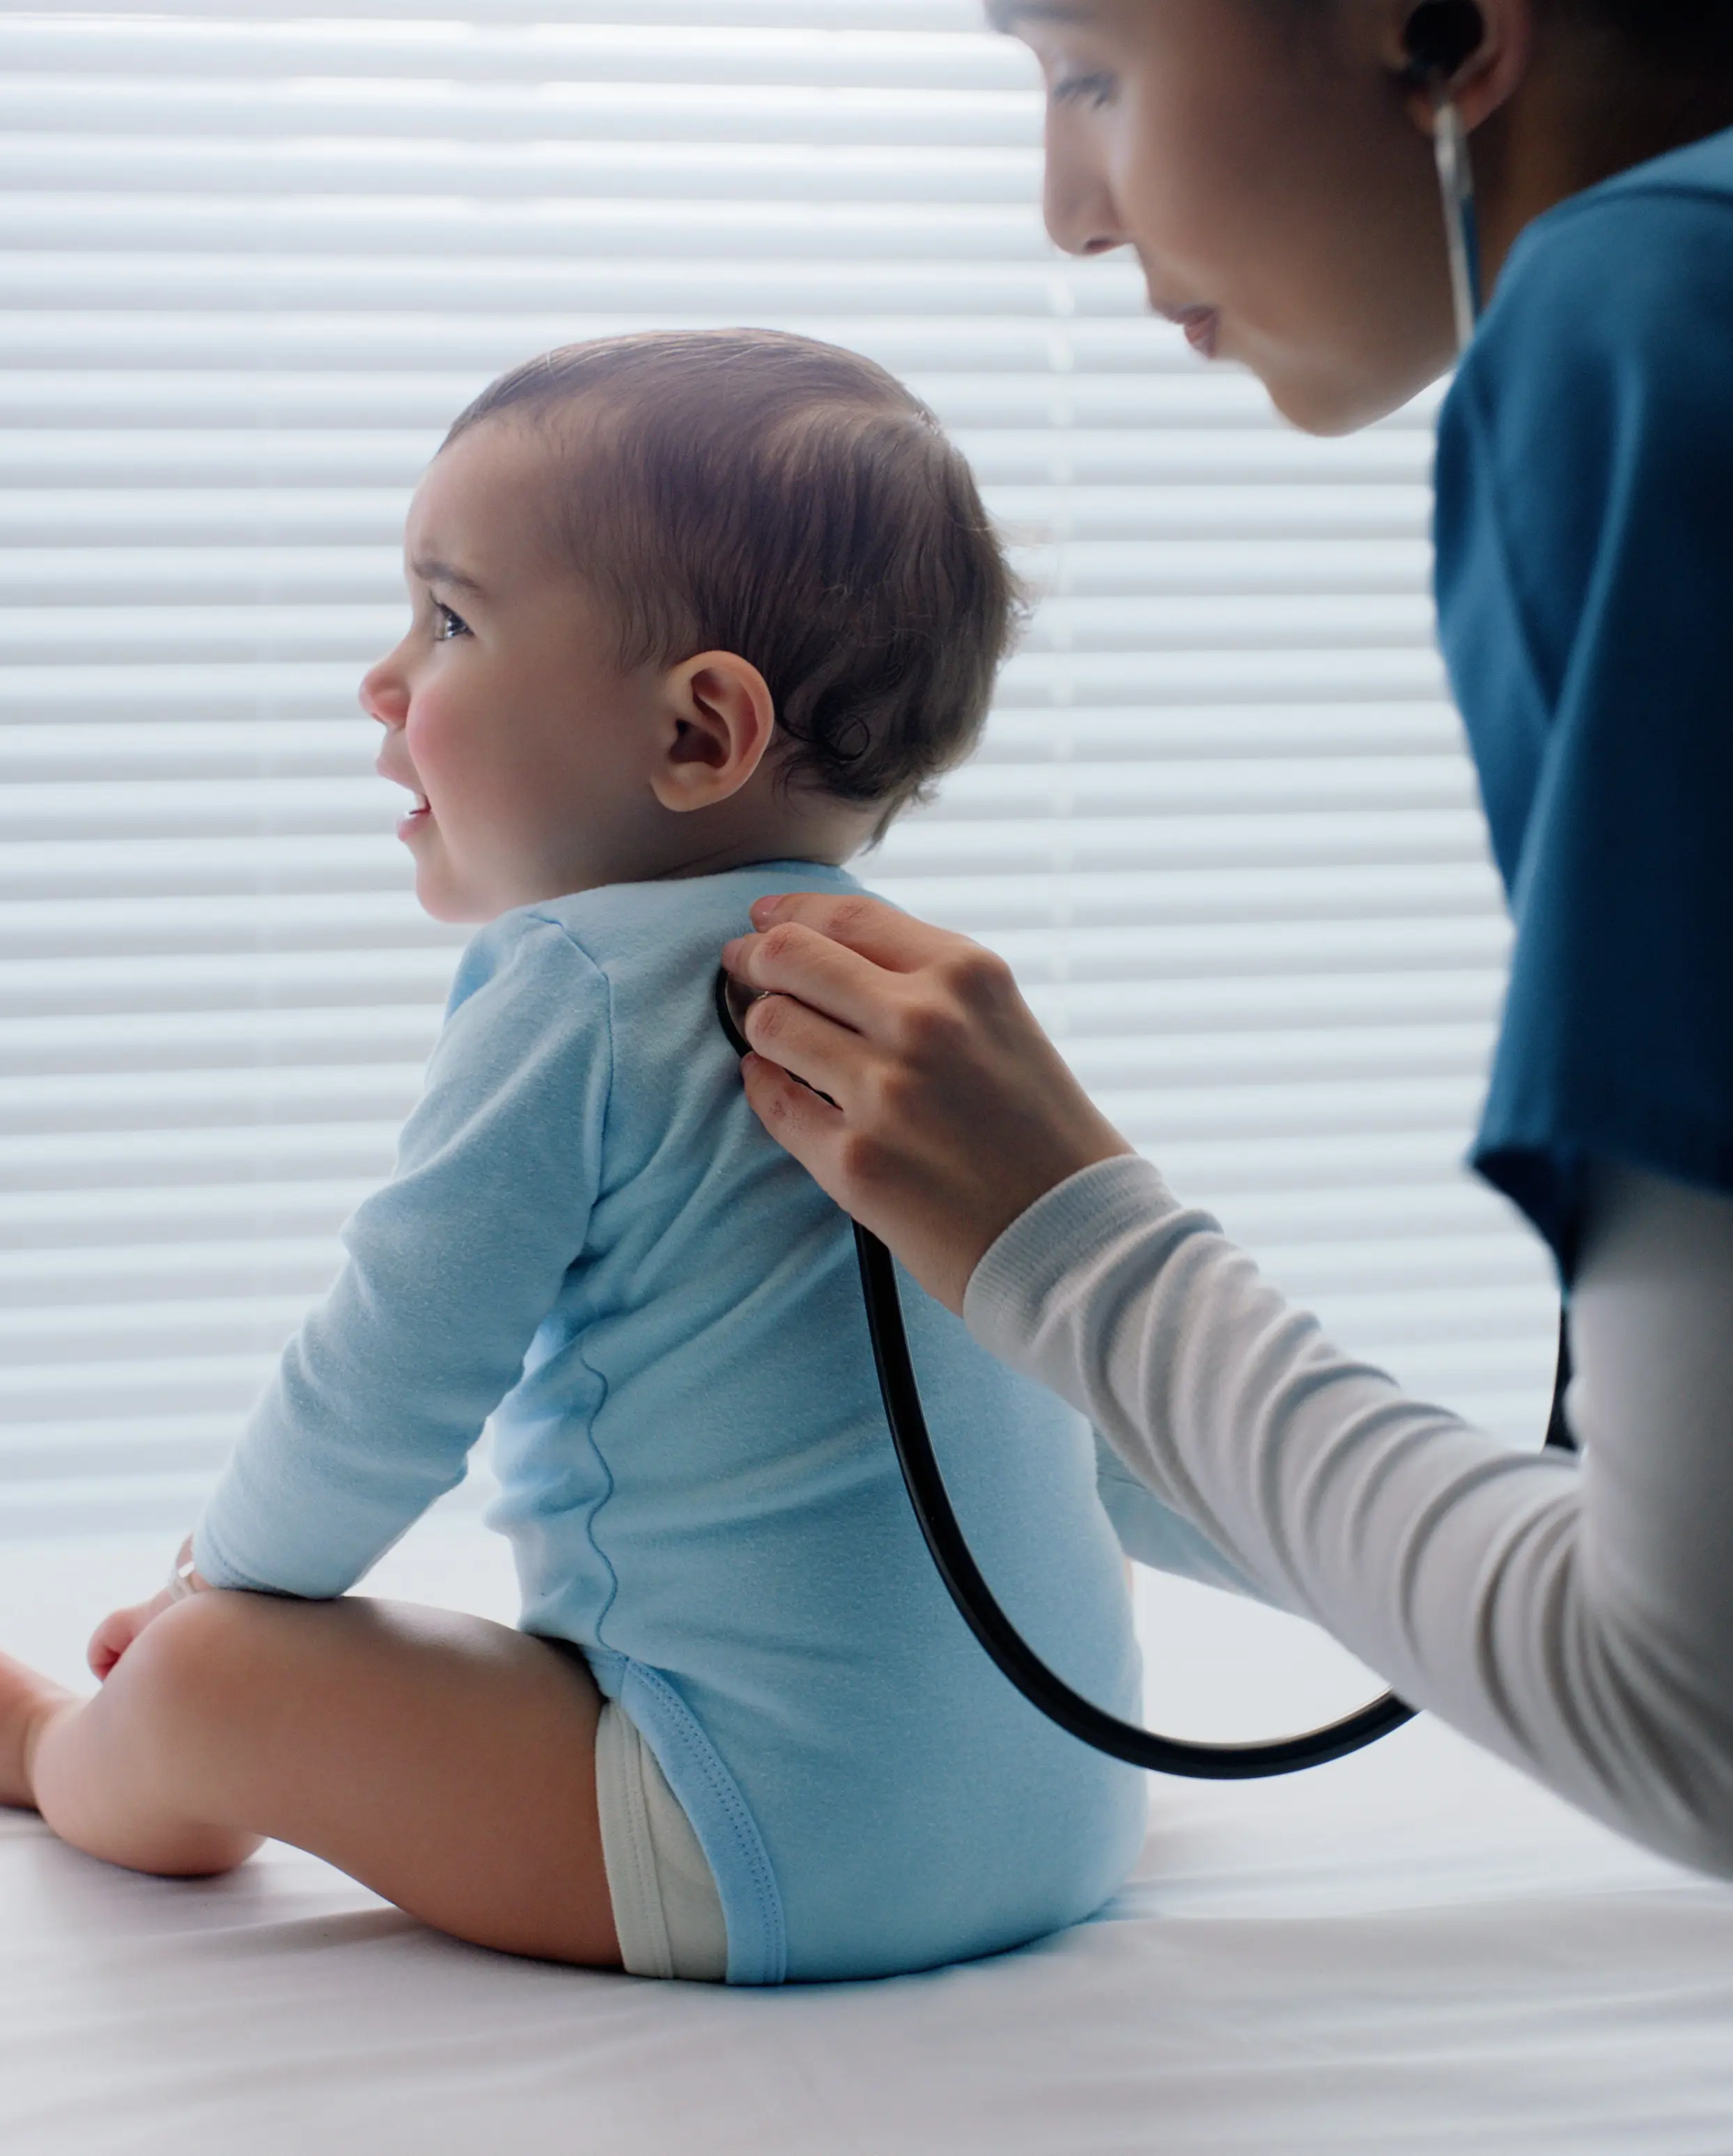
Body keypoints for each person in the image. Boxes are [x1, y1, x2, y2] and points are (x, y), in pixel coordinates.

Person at [0, 329, 1161, 1987]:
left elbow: (384, 1377)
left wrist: (219, 1590)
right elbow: (1096, 1405)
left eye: (447, 620)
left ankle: (52, 1747)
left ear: (699, 734)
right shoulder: (938, 999)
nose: (382, 680)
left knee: (211, 1678)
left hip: (772, 1848)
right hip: (1067, 1808)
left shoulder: (580, 990)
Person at [721, 0, 1733, 1875]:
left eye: (1088, 73)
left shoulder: (1643, 332)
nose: (1066, 215)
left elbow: (1702, 1713)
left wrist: (1073, 1251)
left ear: (1439, 29)